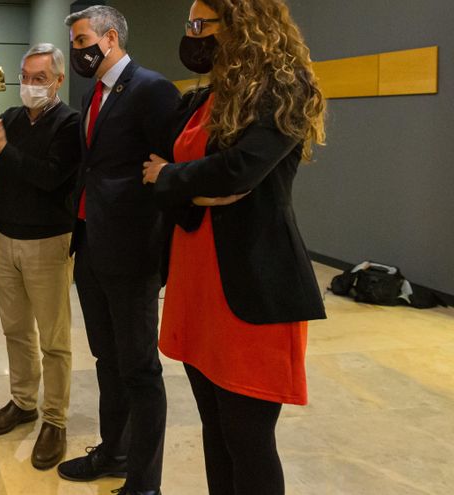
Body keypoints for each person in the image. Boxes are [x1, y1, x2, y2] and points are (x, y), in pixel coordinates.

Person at [142, 1, 327, 494]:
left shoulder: (287, 89)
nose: (192, 35)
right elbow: (161, 169)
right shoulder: (207, 97)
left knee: (248, 437)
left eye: (202, 25)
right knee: (214, 427)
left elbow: (240, 171)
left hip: (251, 287)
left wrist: (175, 178)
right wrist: (187, 184)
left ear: (242, 26)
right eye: (190, 24)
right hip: (196, 282)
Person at [57, 6, 180, 495]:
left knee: (140, 368)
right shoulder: (92, 94)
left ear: (110, 38)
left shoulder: (152, 90)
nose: (77, 49)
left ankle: (145, 483)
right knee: (107, 360)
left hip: (132, 250)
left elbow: (169, 168)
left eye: (83, 38)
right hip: (91, 245)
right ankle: (115, 451)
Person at [0, 43, 80, 470]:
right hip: (6, 241)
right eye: (25, 77)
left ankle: (55, 419)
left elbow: (50, 177)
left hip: (49, 243)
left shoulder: (70, 124)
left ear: (58, 81)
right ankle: (23, 402)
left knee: (54, 338)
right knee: (15, 330)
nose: (30, 86)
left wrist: (2, 150)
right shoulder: (11, 118)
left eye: (40, 79)